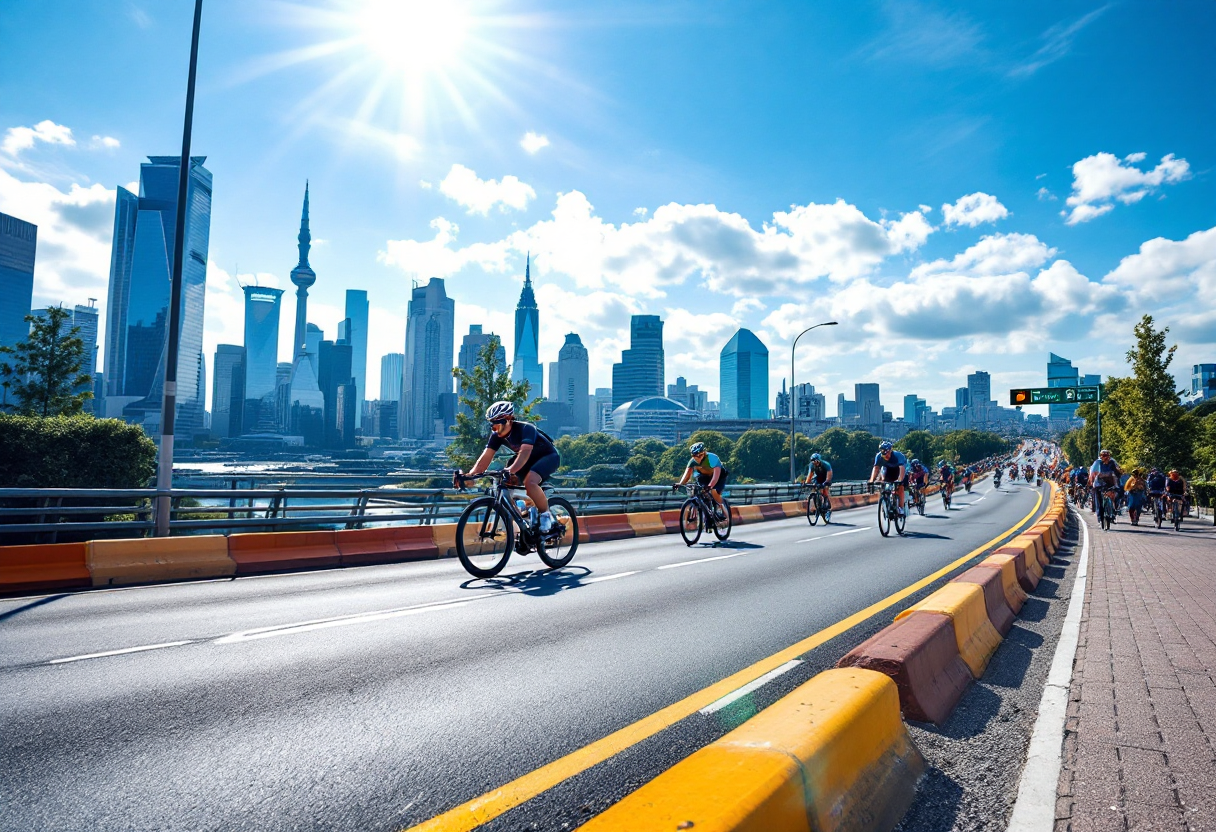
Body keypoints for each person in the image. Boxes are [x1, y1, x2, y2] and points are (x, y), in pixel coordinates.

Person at [455, 401, 561, 532]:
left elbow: (525, 453)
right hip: (526, 459)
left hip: (548, 457)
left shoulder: (527, 428)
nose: (495, 428)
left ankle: (546, 515)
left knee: (530, 481)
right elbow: (485, 458)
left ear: (509, 419)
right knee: (506, 484)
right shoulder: (496, 436)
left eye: (498, 423)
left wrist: (510, 470)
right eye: (492, 424)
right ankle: (523, 519)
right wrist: (469, 475)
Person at [675, 442, 729, 518]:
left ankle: (724, 511)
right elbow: (687, 475)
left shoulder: (712, 458)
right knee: (699, 491)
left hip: (719, 476)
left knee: (714, 492)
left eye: (700, 455)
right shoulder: (692, 461)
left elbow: (716, 476)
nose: (698, 457)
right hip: (704, 476)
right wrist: (680, 484)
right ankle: (706, 513)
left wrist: (710, 486)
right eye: (695, 455)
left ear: (704, 452)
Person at [869, 441, 908, 515]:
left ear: (890, 451)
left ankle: (901, 507)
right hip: (888, 470)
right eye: (884, 455)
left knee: (900, 487)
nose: (887, 456)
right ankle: (885, 502)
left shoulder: (898, 455)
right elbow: (876, 468)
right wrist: (871, 480)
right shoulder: (879, 456)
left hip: (899, 470)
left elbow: (902, 469)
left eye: (888, 454)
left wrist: (899, 480)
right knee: (883, 483)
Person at [1088, 449, 1123, 515]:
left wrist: (1118, 474)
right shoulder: (1098, 463)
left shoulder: (1112, 462)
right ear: (1101, 456)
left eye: (1107, 455)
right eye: (1104, 456)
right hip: (1101, 482)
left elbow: (1116, 472)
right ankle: (1099, 512)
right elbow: (1094, 473)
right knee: (1097, 494)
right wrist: (1093, 481)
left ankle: (1116, 507)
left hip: (1111, 482)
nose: (1105, 457)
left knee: (1118, 491)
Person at [803, 452, 834, 518]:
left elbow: (829, 476)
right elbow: (810, 475)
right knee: (814, 488)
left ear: (819, 460)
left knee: (825, 489)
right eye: (813, 461)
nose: (814, 463)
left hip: (826, 477)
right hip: (817, 477)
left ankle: (827, 507)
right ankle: (817, 507)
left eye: (816, 461)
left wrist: (825, 483)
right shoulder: (811, 465)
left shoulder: (826, 465)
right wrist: (806, 483)